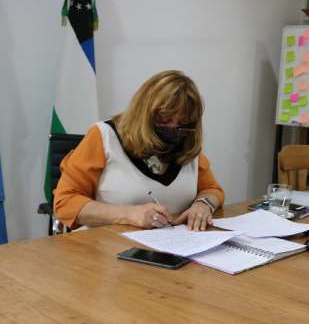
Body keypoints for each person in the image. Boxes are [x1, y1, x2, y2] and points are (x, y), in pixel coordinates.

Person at [54, 70, 225, 231]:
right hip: (107, 245)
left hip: (173, 244)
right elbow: (65, 203)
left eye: (182, 124)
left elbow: (212, 190)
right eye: (163, 119)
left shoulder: (185, 143)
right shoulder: (104, 136)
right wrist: (129, 214)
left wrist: (203, 204)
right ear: (143, 113)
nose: (172, 128)